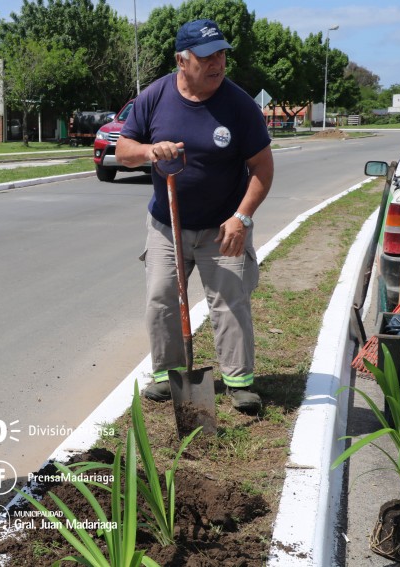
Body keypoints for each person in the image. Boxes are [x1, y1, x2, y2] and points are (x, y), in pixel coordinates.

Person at [115, 19, 274, 413]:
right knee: (161, 298)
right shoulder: (155, 96)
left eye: (221, 53)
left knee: (230, 300)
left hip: (224, 226)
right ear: (182, 61)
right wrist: (151, 151)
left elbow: (263, 169)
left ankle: (239, 382)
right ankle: (169, 377)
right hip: (167, 225)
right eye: (207, 56)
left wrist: (243, 217)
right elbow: (123, 150)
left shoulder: (240, 106)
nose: (217, 63)